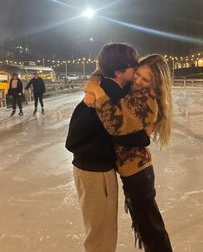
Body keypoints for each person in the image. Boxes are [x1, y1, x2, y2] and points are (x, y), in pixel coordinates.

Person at [65, 43, 150, 252]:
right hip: (95, 171)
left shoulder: (104, 86)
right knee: (101, 236)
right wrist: (143, 136)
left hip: (92, 168)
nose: (136, 71)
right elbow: (119, 132)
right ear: (119, 71)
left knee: (101, 232)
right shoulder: (109, 94)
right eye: (133, 67)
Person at [85, 54, 173, 252]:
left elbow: (114, 124)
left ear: (155, 84)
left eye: (145, 79)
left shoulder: (146, 99)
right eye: (138, 74)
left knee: (151, 227)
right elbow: (104, 68)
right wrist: (93, 82)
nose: (138, 81)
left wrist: (97, 93)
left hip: (138, 174)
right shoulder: (132, 92)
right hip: (132, 172)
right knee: (144, 226)